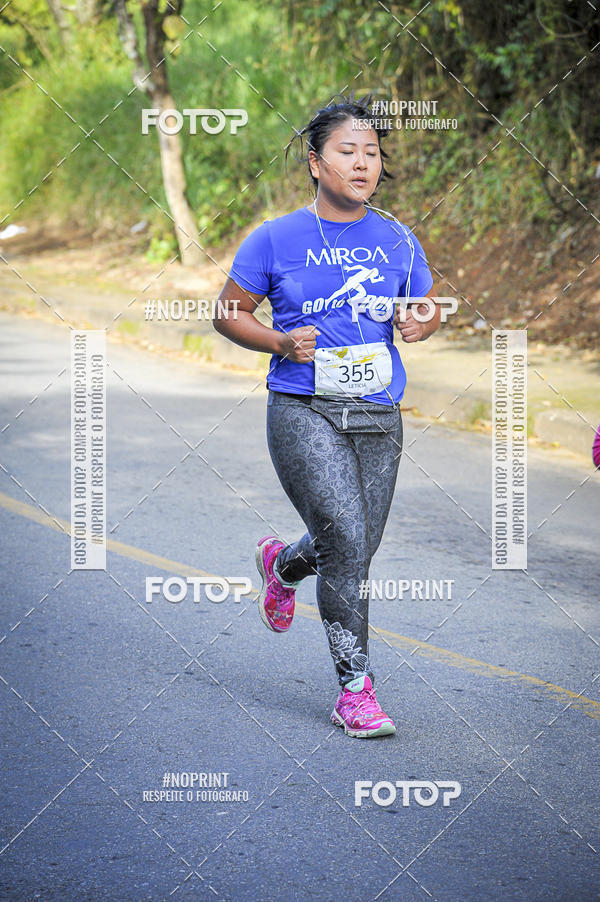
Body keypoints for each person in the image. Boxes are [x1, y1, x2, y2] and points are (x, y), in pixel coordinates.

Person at [214, 93, 441, 738]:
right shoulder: (274, 238)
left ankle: (281, 565)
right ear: (316, 163)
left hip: (377, 413)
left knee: (355, 546)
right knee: (346, 539)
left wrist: (417, 321)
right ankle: (355, 690)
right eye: (348, 152)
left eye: (372, 153)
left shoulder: (397, 237)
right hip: (302, 408)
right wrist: (282, 342)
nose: (363, 164)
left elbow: (425, 309)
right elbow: (229, 313)